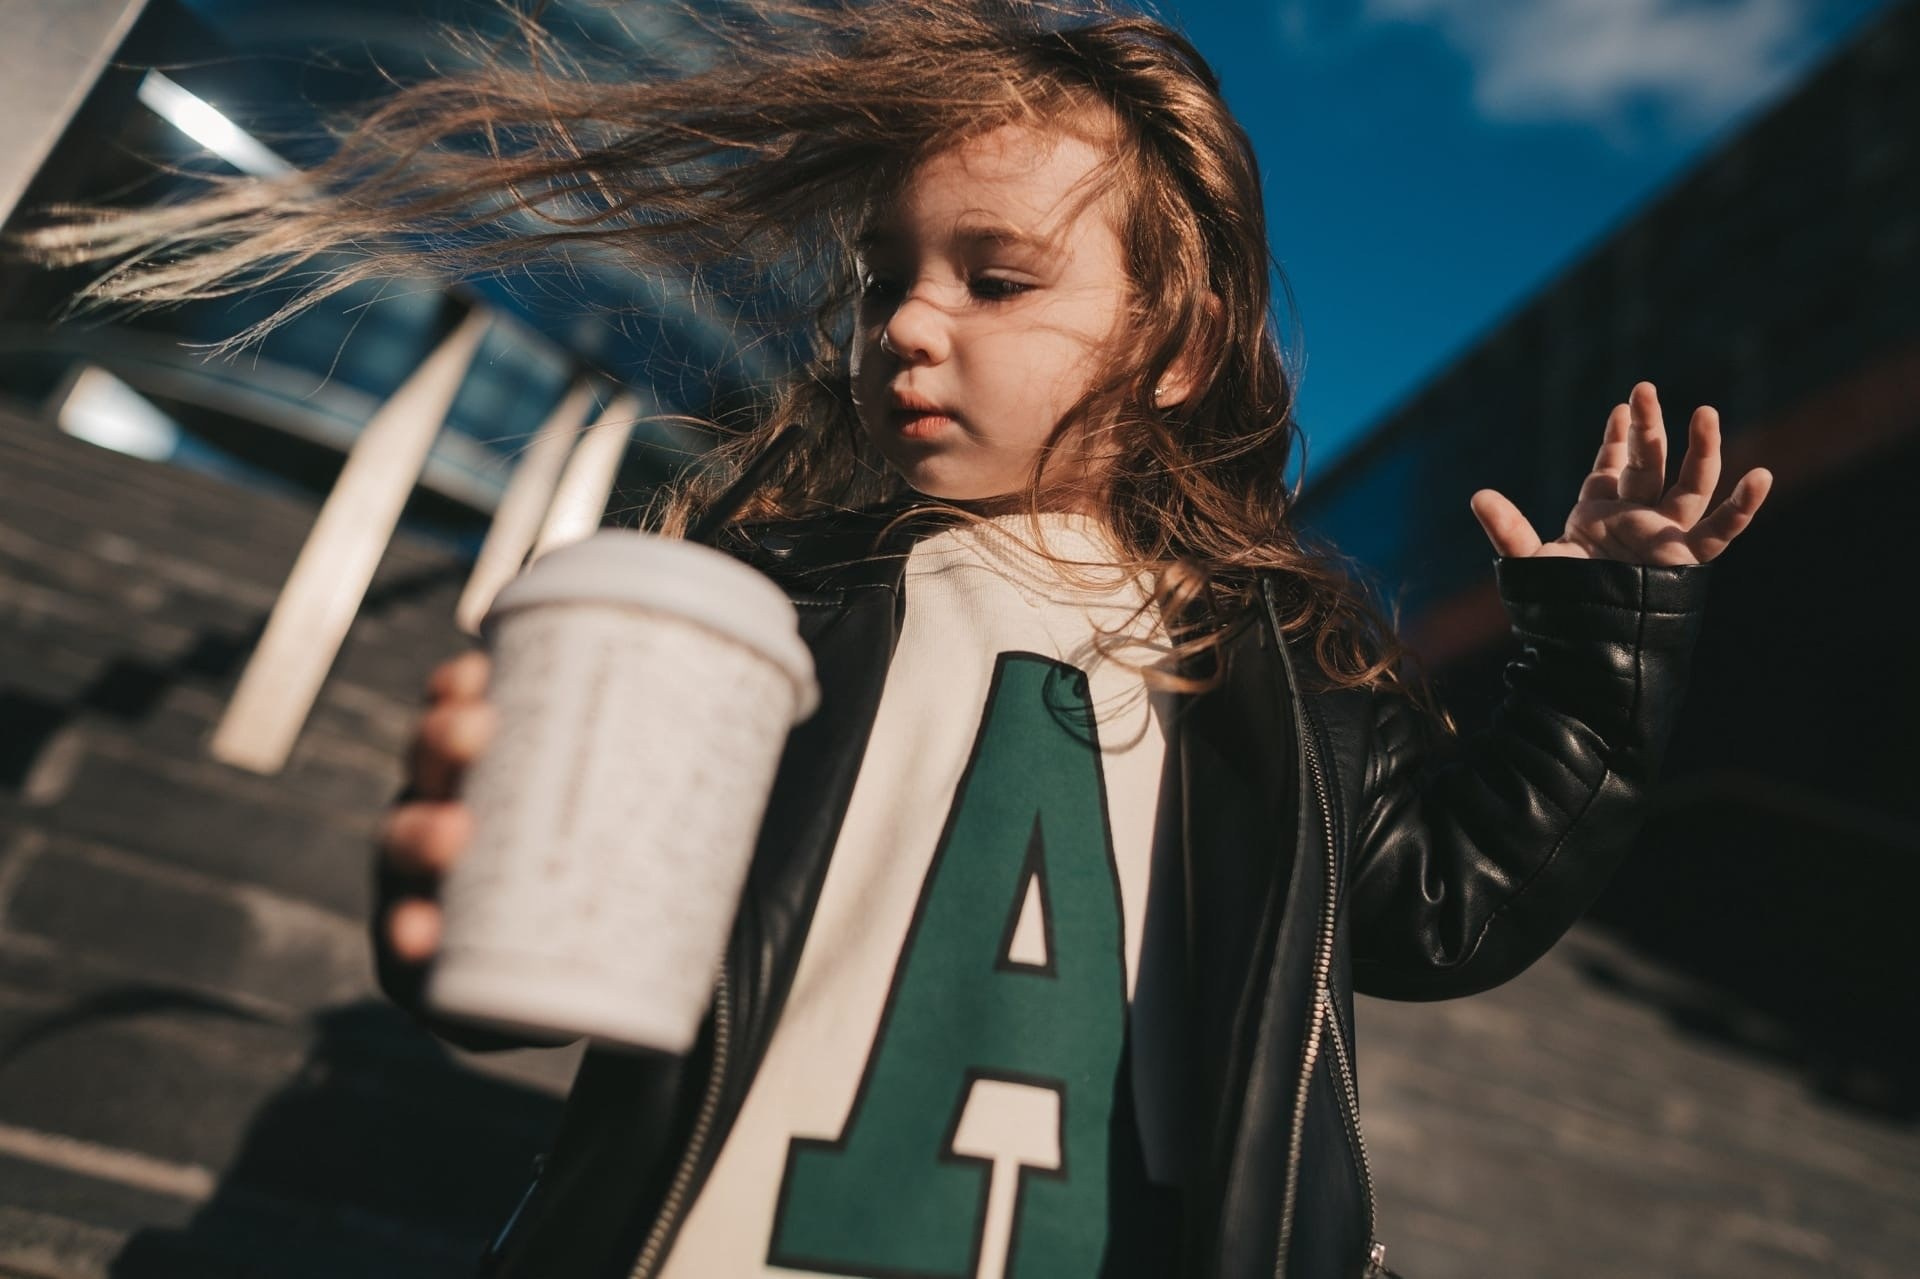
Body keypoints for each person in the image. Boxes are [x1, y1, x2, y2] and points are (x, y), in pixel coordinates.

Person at [15, 2, 1770, 1275]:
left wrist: (1606, 632)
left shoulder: (1277, 677)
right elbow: (584, 931)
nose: (909, 324)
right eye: (882, 280)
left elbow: (1454, 904)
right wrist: (464, 916)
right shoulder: (769, 599)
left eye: (996, 279)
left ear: (1175, 342)